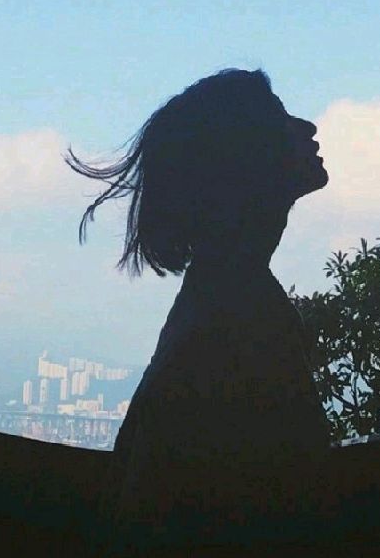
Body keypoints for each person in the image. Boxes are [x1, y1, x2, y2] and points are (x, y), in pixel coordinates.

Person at [67, 68, 331, 548]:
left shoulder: (219, 306)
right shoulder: (234, 326)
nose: (307, 127)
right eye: (278, 118)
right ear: (242, 160)